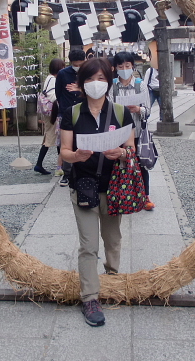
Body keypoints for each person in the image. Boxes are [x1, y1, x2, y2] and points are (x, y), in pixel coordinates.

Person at [59, 57, 135, 327]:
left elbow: (131, 147)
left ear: (110, 81)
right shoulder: (73, 113)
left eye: (101, 78)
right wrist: (76, 156)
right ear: (81, 84)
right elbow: (64, 152)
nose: (96, 84)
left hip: (113, 187)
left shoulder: (121, 112)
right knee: (89, 245)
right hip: (84, 186)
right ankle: (90, 297)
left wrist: (123, 152)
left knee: (113, 239)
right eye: (90, 79)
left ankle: (112, 280)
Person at [109, 52, 154, 211]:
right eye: (120, 66)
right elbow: (107, 109)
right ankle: (118, 194)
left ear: (132, 66)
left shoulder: (140, 85)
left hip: (136, 133)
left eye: (127, 66)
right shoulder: (112, 86)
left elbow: (147, 110)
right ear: (115, 68)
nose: (124, 69)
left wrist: (138, 109)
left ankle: (145, 196)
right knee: (117, 164)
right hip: (118, 133)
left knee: (140, 165)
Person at [55, 49, 86, 187]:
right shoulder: (62, 74)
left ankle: (83, 171)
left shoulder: (87, 73)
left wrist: (80, 89)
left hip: (84, 110)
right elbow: (58, 92)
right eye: (75, 64)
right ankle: (66, 174)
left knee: (84, 141)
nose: (77, 67)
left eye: (80, 64)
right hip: (67, 111)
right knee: (66, 144)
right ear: (70, 62)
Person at [33, 58, 65, 175]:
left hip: (49, 112)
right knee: (54, 138)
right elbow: (53, 96)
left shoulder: (49, 78)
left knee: (54, 137)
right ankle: (54, 165)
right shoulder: (53, 79)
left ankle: (57, 165)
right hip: (53, 112)